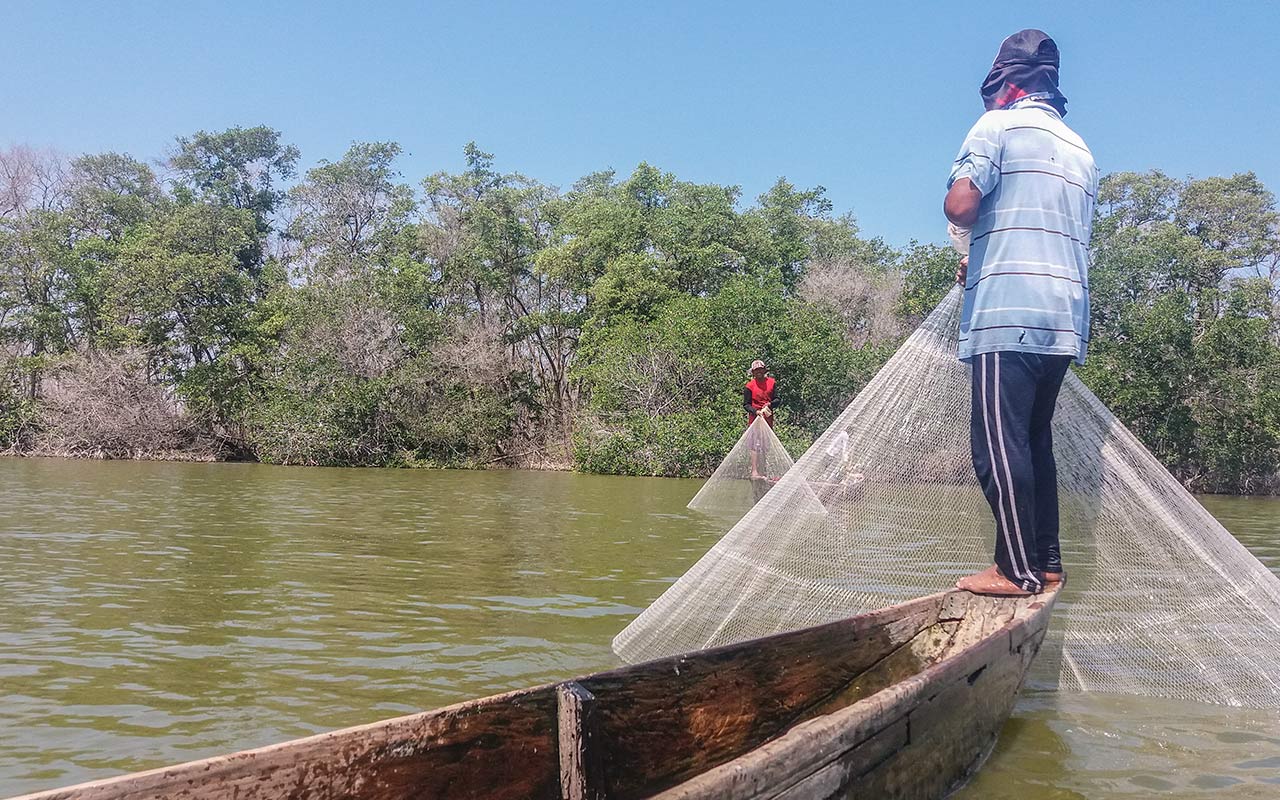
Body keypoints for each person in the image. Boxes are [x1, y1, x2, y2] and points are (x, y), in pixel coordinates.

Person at [944, 29, 1098, 596]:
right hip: (1065, 314)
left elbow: (962, 204)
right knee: (1034, 439)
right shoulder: (1079, 147)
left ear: (1006, 82)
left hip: (1006, 311)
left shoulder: (996, 127)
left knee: (996, 446)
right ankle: (1047, 561)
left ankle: (1015, 569)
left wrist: (959, 204)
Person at [743, 360, 780, 479]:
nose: (759, 372)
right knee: (754, 444)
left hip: (767, 417)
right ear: (753, 373)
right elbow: (746, 405)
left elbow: (777, 400)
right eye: (756, 370)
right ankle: (754, 471)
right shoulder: (749, 386)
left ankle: (762, 471)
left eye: (760, 370)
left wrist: (769, 404)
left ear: (764, 370)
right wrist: (756, 411)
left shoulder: (772, 383)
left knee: (765, 444)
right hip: (755, 418)